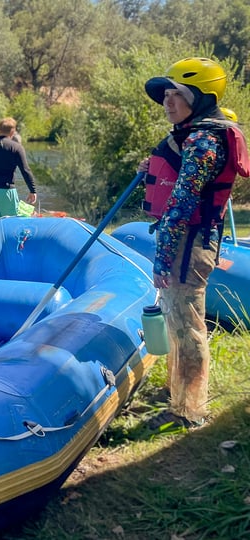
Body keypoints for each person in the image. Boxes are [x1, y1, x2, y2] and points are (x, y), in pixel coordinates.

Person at [141, 57, 249, 430]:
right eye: (166, 95)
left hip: (189, 242)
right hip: (189, 239)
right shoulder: (195, 135)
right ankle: (178, 391)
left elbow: (182, 205)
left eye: (178, 95)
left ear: (201, 98)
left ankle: (189, 410)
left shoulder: (204, 141)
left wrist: (162, 259)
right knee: (178, 318)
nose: (168, 102)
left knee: (187, 324)